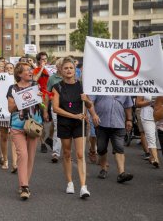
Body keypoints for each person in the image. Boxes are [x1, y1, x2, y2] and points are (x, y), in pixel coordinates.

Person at [52, 57, 99, 198]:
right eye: (65, 68)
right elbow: (55, 109)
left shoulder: (82, 86)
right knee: (67, 153)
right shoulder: (57, 87)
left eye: (71, 68)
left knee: (80, 154)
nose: (68, 70)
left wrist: (89, 104)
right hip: (64, 123)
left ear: (75, 70)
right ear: (61, 70)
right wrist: (74, 116)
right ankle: (70, 182)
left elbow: (89, 105)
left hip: (80, 124)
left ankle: (83, 186)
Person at [7, 62, 41, 200]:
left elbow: (42, 104)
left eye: (30, 70)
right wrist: (21, 99)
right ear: (19, 74)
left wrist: (40, 97)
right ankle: (24, 187)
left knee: (31, 156)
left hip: (33, 125)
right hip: (17, 126)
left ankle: (24, 182)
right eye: (27, 70)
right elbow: (10, 109)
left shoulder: (35, 86)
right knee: (23, 154)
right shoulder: (12, 89)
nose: (30, 72)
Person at [91, 95, 134, 183]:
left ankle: (121, 173)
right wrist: (93, 114)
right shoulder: (99, 84)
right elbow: (90, 102)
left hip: (119, 123)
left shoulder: (123, 88)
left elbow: (128, 105)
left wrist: (129, 119)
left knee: (119, 147)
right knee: (101, 148)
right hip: (101, 123)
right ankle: (103, 169)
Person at [45, 58, 63, 163]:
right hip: (55, 107)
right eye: (61, 66)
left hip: (69, 106)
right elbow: (47, 94)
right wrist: (45, 111)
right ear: (57, 67)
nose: (63, 68)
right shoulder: (52, 78)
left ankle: (66, 152)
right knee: (57, 128)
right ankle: (56, 152)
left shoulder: (71, 77)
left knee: (67, 129)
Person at [33, 52, 50, 153]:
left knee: (52, 121)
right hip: (40, 98)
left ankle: (49, 138)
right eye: (43, 59)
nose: (45, 61)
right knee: (42, 122)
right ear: (39, 60)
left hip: (50, 96)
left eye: (46, 59)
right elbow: (35, 79)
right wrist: (42, 68)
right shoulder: (36, 70)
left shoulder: (50, 69)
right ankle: (42, 142)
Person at [136, 96, 159, 168]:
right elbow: (138, 103)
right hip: (147, 116)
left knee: (157, 137)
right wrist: (150, 102)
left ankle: (152, 157)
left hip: (160, 115)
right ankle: (156, 159)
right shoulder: (143, 87)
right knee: (151, 137)